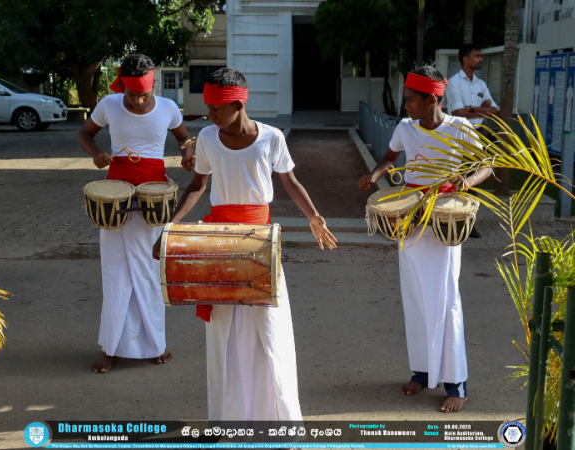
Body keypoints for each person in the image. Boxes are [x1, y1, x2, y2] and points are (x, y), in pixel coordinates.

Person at [152, 68, 337, 424]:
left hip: (259, 242)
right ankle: (226, 422)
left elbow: (290, 182)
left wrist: (313, 215)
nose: (209, 114)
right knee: (222, 333)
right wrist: (169, 228)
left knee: (269, 329)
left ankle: (278, 421)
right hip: (219, 241)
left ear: (238, 104)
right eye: (208, 107)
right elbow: (197, 186)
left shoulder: (271, 138)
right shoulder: (208, 138)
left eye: (215, 108)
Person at [359, 66, 492, 413]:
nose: (405, 106)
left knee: (445, 301)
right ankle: (422, 371)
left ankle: (457, 384)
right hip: (411, 221)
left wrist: (467, 182)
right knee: (415, 298)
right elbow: (390, 158)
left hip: (445, 221)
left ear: (432, 99)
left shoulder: (460, 128)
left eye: (410, 100)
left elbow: (487, 165)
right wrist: (374, 175)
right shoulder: (406, 128)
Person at [77, 54, 196, 373]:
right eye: (132, 94)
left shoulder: (168, 108)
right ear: (122, 87)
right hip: (115, 197)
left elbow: (184, 139)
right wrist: (96, 154)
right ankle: (111, 348)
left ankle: (155, 344)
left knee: (148, 272)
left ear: (153, 84)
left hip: (153, 198)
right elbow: (84, 133)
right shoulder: (109, 104)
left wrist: (188, 157)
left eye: (144, 94)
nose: (139, 100)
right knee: (115, 274)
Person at [446, 44, 497, 239]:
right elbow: (458, 112)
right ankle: (453, 221)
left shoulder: (481, 84)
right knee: (458, 177)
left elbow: (494, 110)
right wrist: (481, 109)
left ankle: (469, 223)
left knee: (475, 179)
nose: (480, 59)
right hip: (459, 134)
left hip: (479, 134)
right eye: (477, 56)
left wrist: (472, 109)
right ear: (465, 59)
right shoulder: (454, 82)